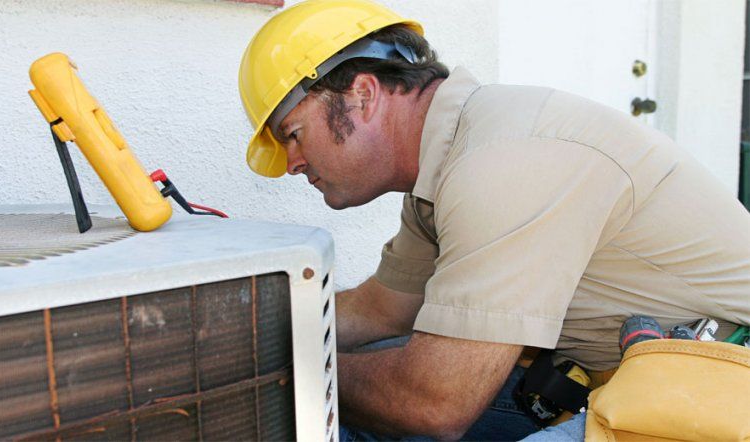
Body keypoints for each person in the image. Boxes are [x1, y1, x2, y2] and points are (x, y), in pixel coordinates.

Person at [237, 1, 750, 440]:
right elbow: (380, 311)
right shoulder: (437, 175)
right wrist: (248, 337)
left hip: (720, 383)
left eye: (293, 134)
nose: (291, 164)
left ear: (362, 95)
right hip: (626, 378)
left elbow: (436, 402)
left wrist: (279, 371)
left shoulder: (504, 159)